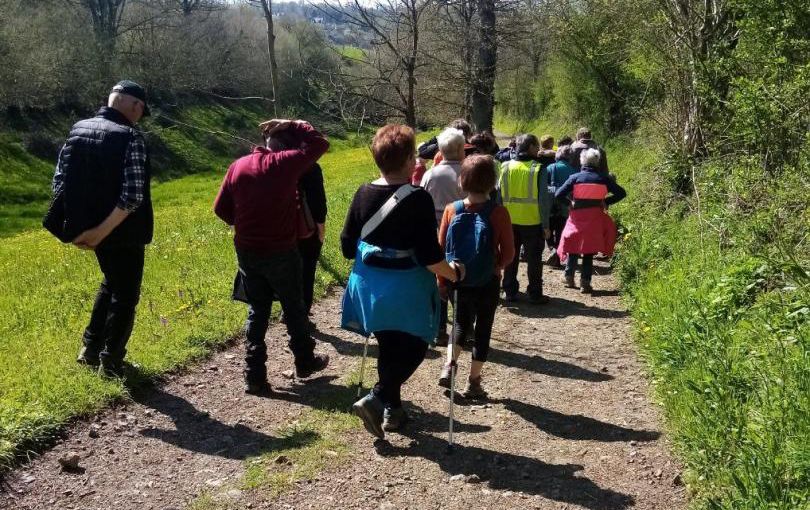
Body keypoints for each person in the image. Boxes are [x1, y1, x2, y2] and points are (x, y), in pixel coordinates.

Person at [341, 124, 464, 438]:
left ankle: (392, 412)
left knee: (389, 346)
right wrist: (454, 273)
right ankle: (379, 397)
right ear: (411, 160)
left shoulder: (362, 193)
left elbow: (346, 246)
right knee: (416, 347)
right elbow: (428, 256)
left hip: (369, 291)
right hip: (406, 290)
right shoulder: (418, 199)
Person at [214, 119, 331, 395]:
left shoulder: (237, 166)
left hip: (246, 249)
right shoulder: (284, 163)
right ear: (286, 148)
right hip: (281, 249)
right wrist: (296, 122)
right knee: (294, 305)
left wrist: (243, 224)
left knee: (258, 309)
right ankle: (304, 361)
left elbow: (221, 209)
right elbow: (320, 144)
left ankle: (254, 374)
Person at [48, 80, 154, 378]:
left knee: (110, 283)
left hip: (89, 229)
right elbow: (133, 196)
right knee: (126, 296)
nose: (139, 115)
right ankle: (112, 363)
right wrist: (102, 231)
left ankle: (90, 348)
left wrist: (83, 228)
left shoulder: (77, 129)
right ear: (135, 105)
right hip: (122, 231)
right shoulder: (130, 137)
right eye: (141, 109)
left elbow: (60, 182)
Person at [437, 155, 514, 398]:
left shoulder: (451, 210)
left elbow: (440, 250)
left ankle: (449, 365)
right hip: (487, 281)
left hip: (457, 279)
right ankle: (473, 381)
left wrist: (442, 281)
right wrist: (498, 265)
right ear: (492, 182)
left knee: (460, 324)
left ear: (462, 181)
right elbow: (510, 252)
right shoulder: (499, 212)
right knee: (483, 329)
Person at [554, 148, 626, 293]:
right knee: (589, 250)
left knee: (573, 245)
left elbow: (558, 194)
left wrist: (569, 203)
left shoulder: (575, 178)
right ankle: (585, 283)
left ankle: (569, 276)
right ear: (597, 162)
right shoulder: (604, 179)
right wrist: (607, 201)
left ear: (582, 161)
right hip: (595, 219)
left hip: (577, 217)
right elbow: (622, 193)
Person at [420, 127, 468, 345]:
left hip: (434, 233)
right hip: (463, 233)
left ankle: (438, 329)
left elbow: (420, 203)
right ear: (460, 149)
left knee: (438, 281)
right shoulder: (468, 173)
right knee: (461, 279)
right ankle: (464, 327)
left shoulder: (431, 174)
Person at [499, 134, 552, 303]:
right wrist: (546, 225)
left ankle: (509, 291)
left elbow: (499, 197)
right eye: (536, 147)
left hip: (509, 222)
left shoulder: (505, 166)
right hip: (532, 222)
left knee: (510, 257)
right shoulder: (538, 168)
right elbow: (543, 200)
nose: (539, 150)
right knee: (534, 260)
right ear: (530, 147)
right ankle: (535, 294)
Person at [544, 145, 578, 267]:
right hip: (566, 206)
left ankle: (552, 248)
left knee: (548, 230)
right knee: (560, 232)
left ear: (558, 155)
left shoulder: (550, 168)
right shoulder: (575, 171)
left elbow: (543, 187)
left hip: (550, 206)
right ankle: (557, 258)